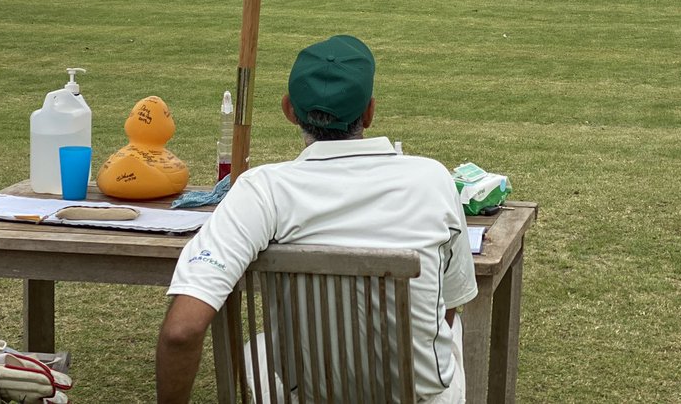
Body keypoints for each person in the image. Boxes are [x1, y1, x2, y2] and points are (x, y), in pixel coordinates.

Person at [156, 35, 476, 404]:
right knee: (451, 330)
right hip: (416, 396)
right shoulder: (432, 179)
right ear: (369, 112)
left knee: (258, 350)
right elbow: (450, 306)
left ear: (289, 110)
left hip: (308, 394)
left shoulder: (261, 190)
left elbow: (181, 332)